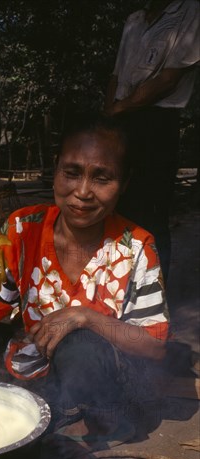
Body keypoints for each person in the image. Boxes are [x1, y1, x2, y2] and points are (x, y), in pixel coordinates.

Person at [0, 113, 170, 446]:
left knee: (80, 344)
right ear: (55, 170)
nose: (83, 191)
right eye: (71, 173)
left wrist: (83, 317)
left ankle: (98, 427)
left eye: (102, 178)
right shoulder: (21, 228)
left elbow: (154, 345)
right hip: (36, 365)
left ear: (124, 183)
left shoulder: (137, 246)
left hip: (106, 376)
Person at [104, 0, 200, 282]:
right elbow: (116, 75)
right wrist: (109, 117)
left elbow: (169, 79)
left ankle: (155, 307)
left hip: (157, 122)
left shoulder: (189, 11)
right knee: (115, 208)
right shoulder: (134, 19)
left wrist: (118, 109)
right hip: (120, 119)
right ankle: (117, 293)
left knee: (152, 214)